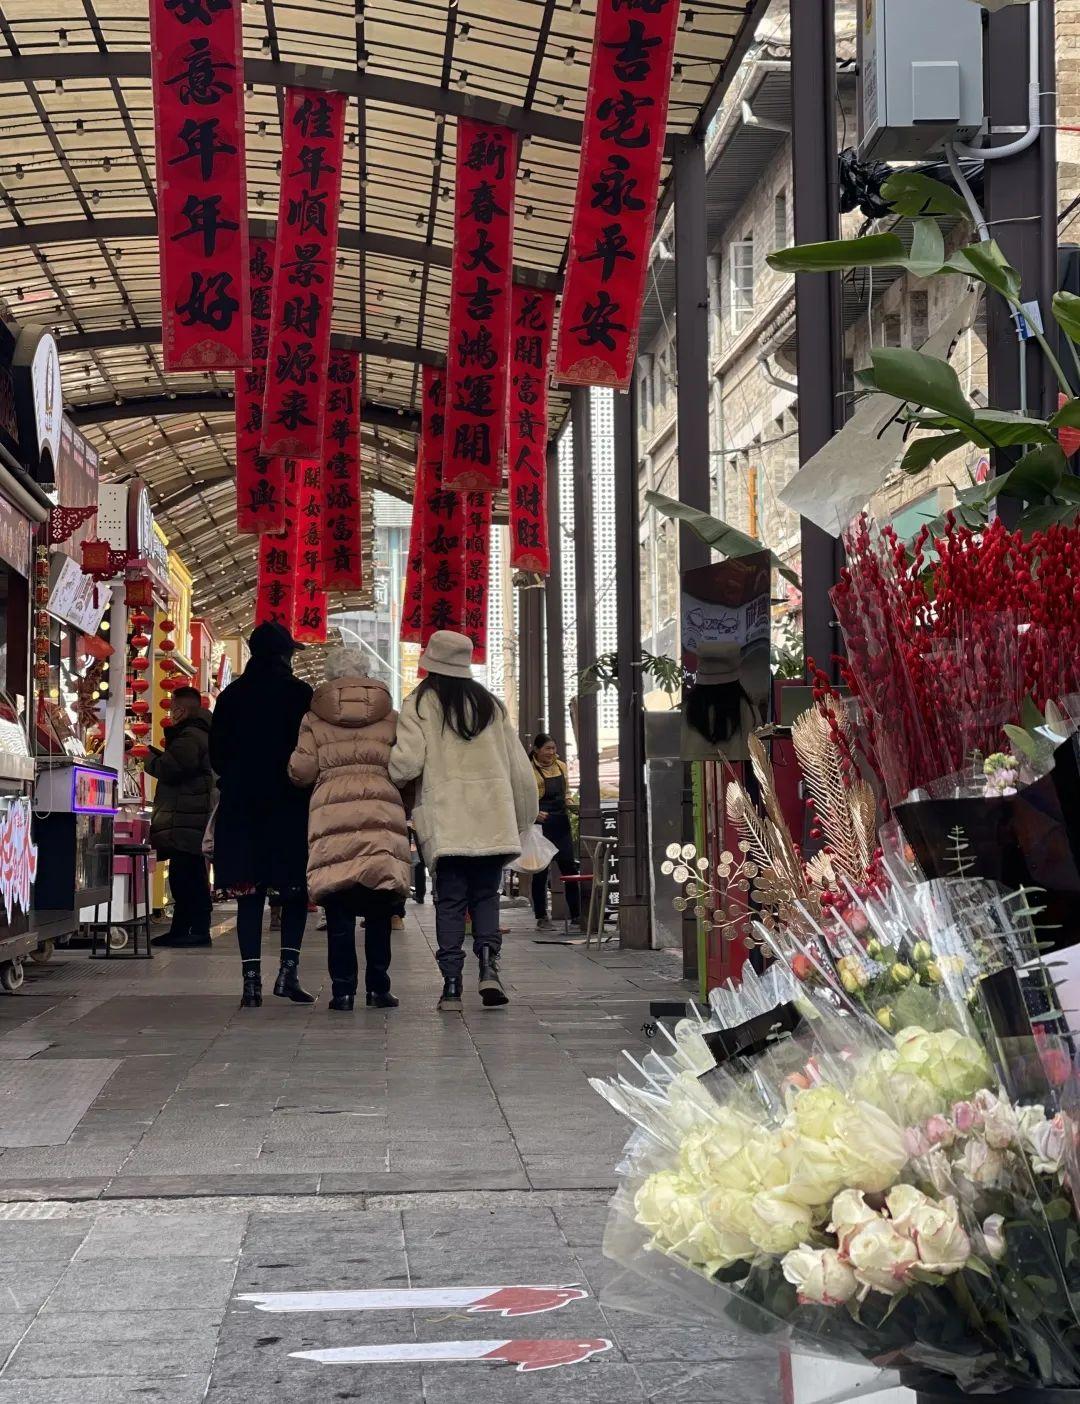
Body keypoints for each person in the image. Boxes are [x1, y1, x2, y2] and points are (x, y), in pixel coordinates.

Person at [389, 630, 537, 1013]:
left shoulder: (420, 702)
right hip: (492, 818)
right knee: (486, 897)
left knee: (450, 901)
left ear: (431, 661)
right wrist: (522, 817)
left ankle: (452, 986)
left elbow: (406, 763)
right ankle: (488, 968)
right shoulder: (490, 704)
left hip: (448, 820)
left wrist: (389, 777)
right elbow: (520, 769)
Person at [288, 648, 411, 1012]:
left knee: (338, 904)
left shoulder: (314, 717)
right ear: (367, 673)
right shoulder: (390, 716)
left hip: (332, 811)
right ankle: (379, 988)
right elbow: (405, 767)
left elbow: (301, 771)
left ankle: (342, 991)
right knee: (379, 904)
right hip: (380, 808)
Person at [210, 621, 314, 1009]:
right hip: (290, 806)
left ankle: (250, 981)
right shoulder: (301, 694)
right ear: (286, 655)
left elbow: (216, 756)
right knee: (294, 892)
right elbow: (310, 753)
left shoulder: (231, 696)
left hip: (242, 807)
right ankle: (288, 973)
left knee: (248, 894)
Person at [145, 685, 214, 948]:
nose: (170, 714)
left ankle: (196, 930)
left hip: (187, 815)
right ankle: (184, 928)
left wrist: (147, 758)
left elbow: (172, 768)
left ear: (181, 709)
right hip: (190, 814)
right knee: (186, 875)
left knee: (187, 877)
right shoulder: (200, 733)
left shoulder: (190, 736)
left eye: (172, 708)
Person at [529, 733, 581, 932]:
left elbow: (566, 793)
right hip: (541, 825)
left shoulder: (561, 766)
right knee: (540, 871)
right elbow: (524, 797)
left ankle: (576, 914)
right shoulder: (529, 770)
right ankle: (542, 916)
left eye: (553, 748)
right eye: (547, 748)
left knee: (569, 868)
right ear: (536, 749)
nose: (551, 752)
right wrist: (534, 813)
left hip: (561, 823)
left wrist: (571, 805)